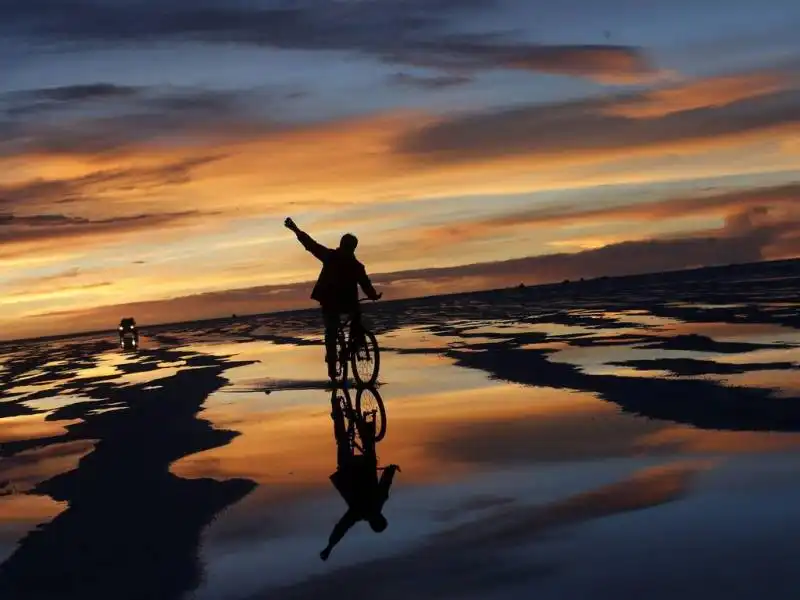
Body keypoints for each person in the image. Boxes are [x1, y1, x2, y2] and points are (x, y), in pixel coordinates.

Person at [284, 217, 381, 379]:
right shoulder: (332, 257)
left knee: (355, 323)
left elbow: (365, 284)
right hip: (330, 302)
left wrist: (373, 295)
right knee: (331, 330)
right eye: (347, 247)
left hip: (347, 302)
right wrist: (296, 230)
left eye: (349, 247)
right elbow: (311, 245)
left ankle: (354, 346)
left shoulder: (355, 266)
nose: (347, 250)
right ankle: (332, 360)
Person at [321, 390, 400, 561]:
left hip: (362, 465)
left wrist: (392, 469)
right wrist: (329, 547)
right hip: (347, 469)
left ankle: (361, 420)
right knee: (342, 440)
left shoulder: (379, 502)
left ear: (381, 517)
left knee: (369, 448)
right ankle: (337, 409)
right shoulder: (358, 514)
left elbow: (386, 482)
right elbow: (341, 528)